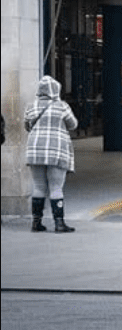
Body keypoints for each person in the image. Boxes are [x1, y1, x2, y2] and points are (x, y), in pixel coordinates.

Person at [24, 75, 78, 233]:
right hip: (56, 150)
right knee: (56, 187)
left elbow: (27, 126)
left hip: (35, 151)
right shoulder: (62, 106)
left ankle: (36, 222)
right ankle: (59, 223)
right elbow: (73, 124)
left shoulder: (31, 106)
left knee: (39, 186)